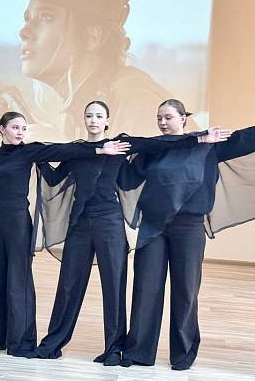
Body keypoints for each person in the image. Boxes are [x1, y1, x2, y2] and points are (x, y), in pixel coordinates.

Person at [29, 101, 229, 364]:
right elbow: (54, 174)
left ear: (107, 120)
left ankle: (113, 349)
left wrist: (199, 139)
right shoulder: (77, 151)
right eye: (88, 115)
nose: (93, 120)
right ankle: (52, 344)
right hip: (80, 224)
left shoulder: (122, 147)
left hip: (109, 224)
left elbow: (160, 144)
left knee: (114, 287)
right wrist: (38, 157)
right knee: (68, 285)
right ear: (83, 119)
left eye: (98, 116)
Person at [0, 111, 129, 357]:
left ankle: (20, 342)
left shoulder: (29, 150)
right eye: (15, 127)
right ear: (2, 129)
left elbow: (66, 150)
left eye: (23, 128)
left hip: (19, 221)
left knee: (18, 281)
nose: (20, 132)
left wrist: (98, 150)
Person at [119, 99, 255, 371]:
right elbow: (127, 180)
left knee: (186, 291)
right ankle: (138, 352)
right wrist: (113, 155)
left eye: (168, 117)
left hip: (189, 227)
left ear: (183, 118)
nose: (162, 122)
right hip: (153, 227)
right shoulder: (154, 149)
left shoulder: (208, 144)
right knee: (146, 288)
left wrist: (204, 138)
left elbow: (247, 138)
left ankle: (182, 355)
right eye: (159, 118)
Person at [0, 0, 173, 143]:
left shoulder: (136, 105)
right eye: (28, 18)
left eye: (46, 17)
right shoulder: (84, 107)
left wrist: (60, 152)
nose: (24, 32)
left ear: (91, 37)